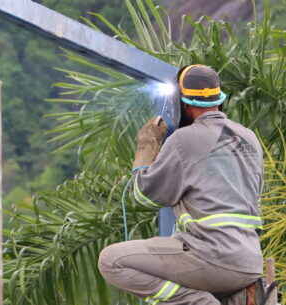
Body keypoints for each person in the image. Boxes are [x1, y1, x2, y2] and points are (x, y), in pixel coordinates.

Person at [98, 65, 266, 305]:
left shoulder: (183, 140)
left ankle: (198, 303)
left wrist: (147, 146)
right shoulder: (249, 137)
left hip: (211, 257)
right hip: (249, 262)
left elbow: (144, 195)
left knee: (111, 261)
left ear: (182, 103)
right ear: (218, 99)